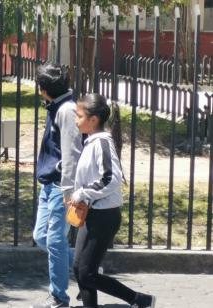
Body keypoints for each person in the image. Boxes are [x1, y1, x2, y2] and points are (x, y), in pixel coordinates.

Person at [70, 93, 155, 308]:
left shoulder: (102, 144)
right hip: (93, 214)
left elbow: (112, 178)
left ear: (93, 120)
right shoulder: (91, 142)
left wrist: (82, 193)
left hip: (104, 217)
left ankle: (139, 300)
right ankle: (137, 300)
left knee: (87, 272)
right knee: (80, 269)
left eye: (79, 116)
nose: (75, 120)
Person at [32, 64, 83, 308]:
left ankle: (59, 299)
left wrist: (68, 192)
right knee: (41, 237)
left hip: (59, 187)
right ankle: (85, 268)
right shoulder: (57, 107)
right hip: (48, 185)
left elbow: (72, 154)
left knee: (53, 241)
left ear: (43, 89)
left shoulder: (66, 110)